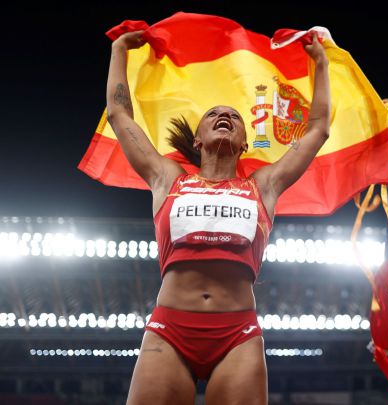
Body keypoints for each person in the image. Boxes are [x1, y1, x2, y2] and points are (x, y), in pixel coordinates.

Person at [106, 30, 329, 404]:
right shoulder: (167, 178)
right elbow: (118, 115)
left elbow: (318, 129)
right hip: (169, 329)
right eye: (213, 114)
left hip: (237, 334)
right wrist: (119, 50)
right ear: (197, 141)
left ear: (245, 144)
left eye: (234, 116)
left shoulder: (264, 185)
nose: (224, 115)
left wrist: (320, 64)